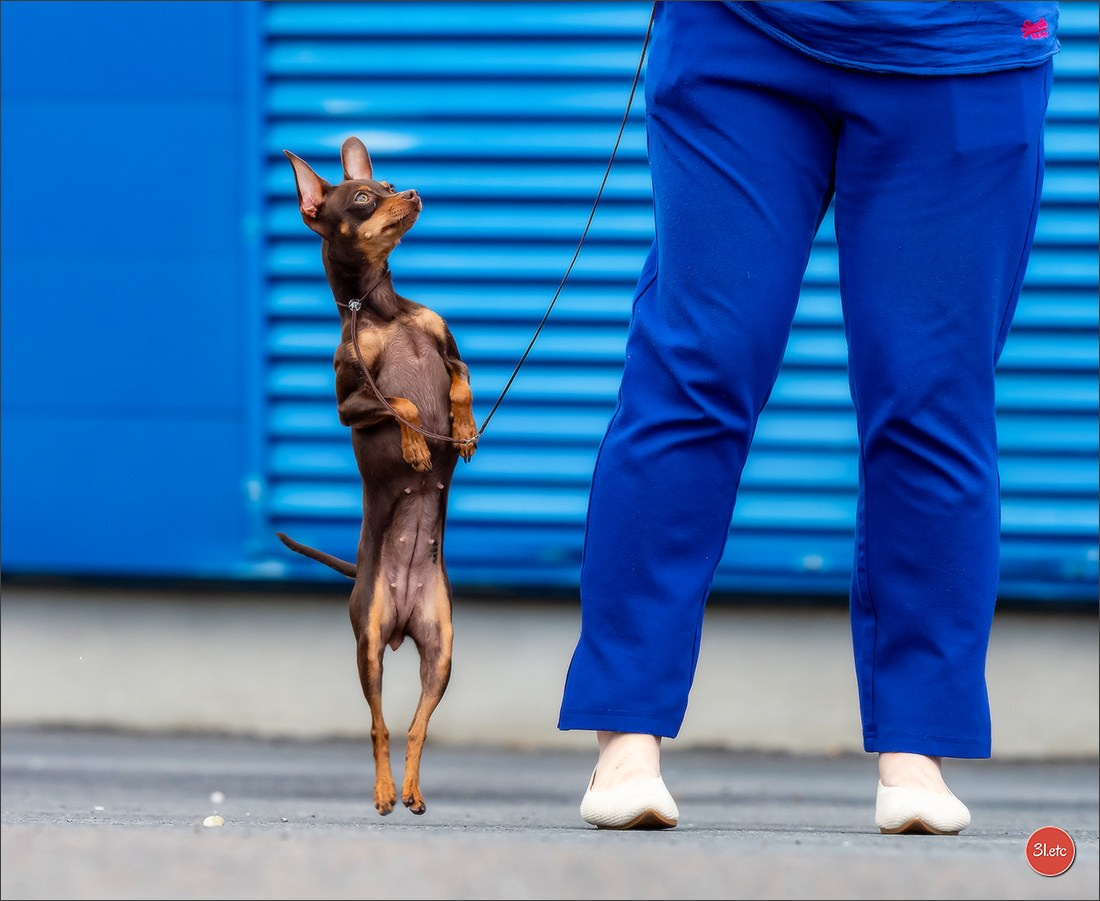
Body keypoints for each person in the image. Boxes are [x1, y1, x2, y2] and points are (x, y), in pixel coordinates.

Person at [558, 0, 1059, 833]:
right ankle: (627, 737)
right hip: (742, 33)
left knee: (931, 392)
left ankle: (917, 752)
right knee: (699, 364)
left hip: (965, 46)